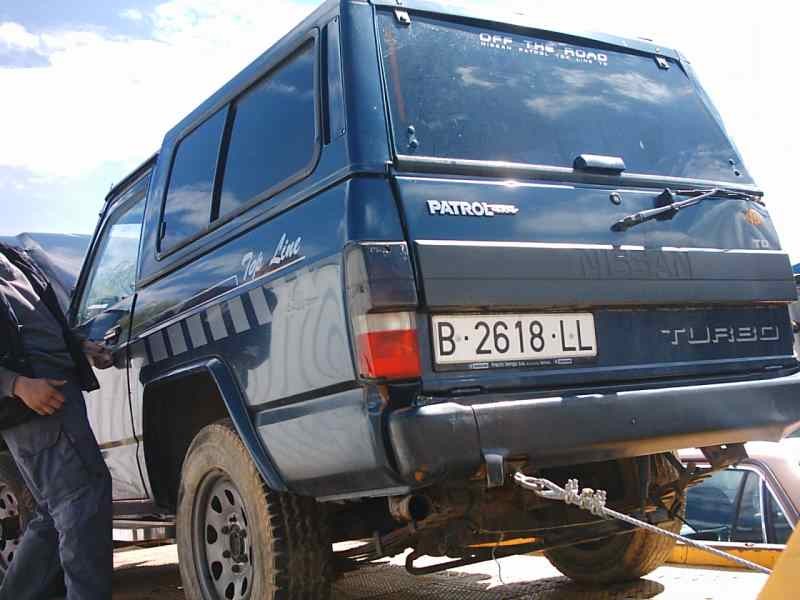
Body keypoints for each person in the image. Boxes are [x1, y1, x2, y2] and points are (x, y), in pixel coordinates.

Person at [0, 242, 114, 600]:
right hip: (34, 401)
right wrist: (16, 385)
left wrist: (78, 347)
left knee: (55, 514)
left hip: (55, 390)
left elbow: (35, 324)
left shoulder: (13, 256)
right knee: (83, 504)